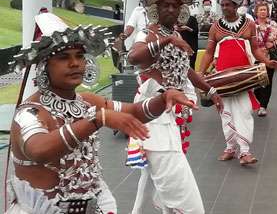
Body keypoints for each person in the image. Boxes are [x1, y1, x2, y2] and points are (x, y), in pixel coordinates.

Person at [7, 12, 196, 214]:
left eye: (80, 56)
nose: (75, 63)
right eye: (64, 58)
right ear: (44, 66)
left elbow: (134, 111)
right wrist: (97, 119)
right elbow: (39, 149)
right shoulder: (30, 112)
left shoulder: (87, 100)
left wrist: (163, 98)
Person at [127, 0, 223, 214]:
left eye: (175, 6)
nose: (171, 10)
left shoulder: (176, 34)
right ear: (155, 10)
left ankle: (151, 209)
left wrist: (210, 90)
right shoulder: (148, 33)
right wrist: (165, 41)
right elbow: (133, 57)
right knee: (168, 166)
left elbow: (185, 69)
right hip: (154, 112)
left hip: (174, 110)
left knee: (152, 172)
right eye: (165, 6)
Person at [198, 0, 277, 166]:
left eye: (228, 5)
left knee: (244, 111)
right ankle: (230, 148)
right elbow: (208, 53)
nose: (224, 8)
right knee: (225, 112)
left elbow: (255, 50)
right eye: (222, 5)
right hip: (222, 76)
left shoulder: (249, 24)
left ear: (236, 6)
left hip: (243, 76)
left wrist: (267, 62)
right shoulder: (215, 27)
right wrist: (200, 73)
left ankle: (244, 151)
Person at [253, 2, 277, 117]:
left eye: (265, 10)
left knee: (267, 81)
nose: (263, 12)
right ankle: (258, 100)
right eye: (260, 10)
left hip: (269, 57)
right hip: (254, 58)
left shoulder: (273, 24)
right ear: (256, 12)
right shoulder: (252, 25)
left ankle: (263, 106)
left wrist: (274, 45)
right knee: (256, 82)